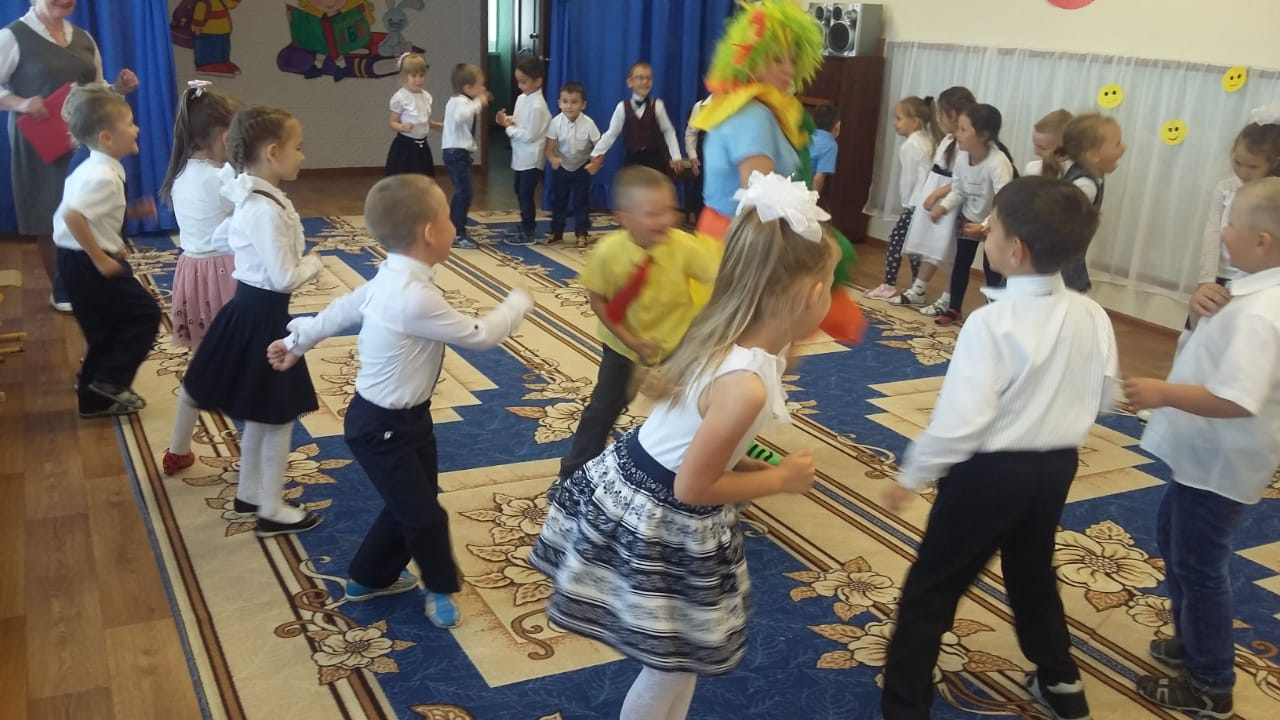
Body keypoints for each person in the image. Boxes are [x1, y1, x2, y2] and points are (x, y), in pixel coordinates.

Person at [531, 172, 831, 720]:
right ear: (813, 295)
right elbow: (694, 485)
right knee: (671, 662)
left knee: (680, 659)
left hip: (648, 484)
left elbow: (701, 436)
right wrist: (780, 479)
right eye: (831, 284)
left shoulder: (727, 338)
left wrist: (747, 457)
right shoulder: (745, 383)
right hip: (661, 510)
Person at [882, 176, 1117, 720]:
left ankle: (904, 707)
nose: (983, 234)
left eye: (991, 228)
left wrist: (913, 473)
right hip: (1055, 468)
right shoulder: (1093, 314)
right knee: (1032, 572)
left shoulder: (990, 324)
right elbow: (1106, 396)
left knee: (931, 590)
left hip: (987, 475)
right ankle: (1061, 683)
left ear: (1016, 250)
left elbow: (962, 422)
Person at [268, 174, 534, 628]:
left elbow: (343, 308)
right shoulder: (412, 297)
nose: (454, 225)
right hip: (381, 428)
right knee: (425, 516)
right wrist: (517, 303)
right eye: (449, 217)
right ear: (430, 232)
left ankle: (368, 577)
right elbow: (480, 335)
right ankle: (440, 587)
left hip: (407, 419)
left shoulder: (391, 277)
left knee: (411, 503)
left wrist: (299, 342)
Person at [1124, 177, 1280, 720]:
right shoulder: (1250, 290)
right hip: (1203, 457)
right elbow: (1211, 343)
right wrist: (1196, 309)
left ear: (1261, 240)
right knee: (1175, 540)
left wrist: (1162, 393)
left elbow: (1237, 398)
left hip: (1220, 462)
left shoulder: (1263, 313)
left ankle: (1211, 682)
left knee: (1199, 565)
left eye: (1230, 223)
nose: (1223, 232)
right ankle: (1192, 641)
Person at [171, 106, 324, 537]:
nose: (303, 156)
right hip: (262, 321)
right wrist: (314, 264)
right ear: (272, 152)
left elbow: (220, 237)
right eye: (298, 147)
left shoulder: (255, 200)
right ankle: (271, 508)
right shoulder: (262, 208)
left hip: (250, 314)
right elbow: (284, 277)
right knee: (276, 419)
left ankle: (250, 493)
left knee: (262, 412)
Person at [554, 166, 716, 490]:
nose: (665, 219)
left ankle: (707, 471)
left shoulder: (683, 245)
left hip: (678, 343)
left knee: (698, 407)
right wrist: (631, 340)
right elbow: (598, 300)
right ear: (624, 218)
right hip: (623, 345)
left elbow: (718, 277)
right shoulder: (608, 252)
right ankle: (573, 475)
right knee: (603, 409)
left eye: (670, 209)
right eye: (653, 213)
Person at [1, 0, 140, 312]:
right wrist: (21, 104)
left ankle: (93, 281)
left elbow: (97, 90)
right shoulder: (12, 36)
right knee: (47, 212)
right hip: (39, 144)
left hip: (84, 142)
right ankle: (62, 289)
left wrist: (118, 88)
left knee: (89, 207)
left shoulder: (83, 38)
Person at [51, 83, 159, 418]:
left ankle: (93, 400)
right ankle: (111, 380)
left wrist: (128, 217)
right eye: (129, 123)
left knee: (103, 327)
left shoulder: (96, 167)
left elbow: (90, 214)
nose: (136, 128)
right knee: (144, 314)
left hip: (76, 257)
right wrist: (100, 257)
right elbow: (72, 216)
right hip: (88, 261)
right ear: (107, 138)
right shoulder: (102, 175)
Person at [159, 79, 240, 352]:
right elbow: (248, 211)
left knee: (206, 340)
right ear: (225, 138)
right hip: (223, 268)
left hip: (192, 268)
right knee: (232, 338)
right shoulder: (218, 178)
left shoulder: (181, 173)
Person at [928, 103, 1016, 325]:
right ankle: (954, 309)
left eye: (963, 129)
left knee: (992, 269)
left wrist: (986, 226)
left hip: (996, 222)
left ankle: (994, 317)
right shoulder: (962, 158)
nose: (956, 134)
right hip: (970, 217)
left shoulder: (998, 162)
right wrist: (943, 207)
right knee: (961, 263)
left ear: (983, 135)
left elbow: (1005, 201)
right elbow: (959, 190)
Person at [893, 86, 977, 312]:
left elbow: (962, 179)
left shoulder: (965, 145)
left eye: (942, 113)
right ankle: (918, 289)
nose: (938, 118)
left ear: (955, 114)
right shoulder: (948, 139)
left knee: (948, 251)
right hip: (935, 196)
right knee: (931, 246)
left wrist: (938, 194)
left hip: (950, 202)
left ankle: (949, 298)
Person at [1037, 113, 1126, 292]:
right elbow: (1060, 227)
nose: (1123, 148)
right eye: (1117, 144)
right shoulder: (1085, 185)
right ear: (1093, 155)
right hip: (1061, 268)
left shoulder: (1088, 174)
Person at [865, 96, 937, 300]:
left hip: (915, 202)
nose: (895, 123)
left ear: (915, 122)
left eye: (898, 118)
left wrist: (907, 204)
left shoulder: (910, 145)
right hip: (925, 203)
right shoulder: (927, 140)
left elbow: (909, 180)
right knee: (914, 245)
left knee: (896, 240)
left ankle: (889, 285)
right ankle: (916, 288)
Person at [586, 61, 683, 176]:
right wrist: (596, 153)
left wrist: (676, 156)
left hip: (655, 159)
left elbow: (668, 131)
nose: (645, 82)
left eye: (648, 78)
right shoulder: (622, 107)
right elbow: (611, 134)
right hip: (632, 160)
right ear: (630, 82)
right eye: (640, 78)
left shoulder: (658, 105)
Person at [496, 55, 551, 246]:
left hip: (532, 158)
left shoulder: (538, 106)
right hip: (520, 155)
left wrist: (508, 129)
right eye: (518, 81)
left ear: (538, 81)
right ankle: (524, 223)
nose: (520, 86)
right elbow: (519, 121)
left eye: (524, 82)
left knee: (526, 194)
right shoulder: (522, 98)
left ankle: (529, 231)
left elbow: (530, 135)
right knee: (519, 190)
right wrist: (506, 120)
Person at [544, 81, 600, 247]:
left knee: (581, 201)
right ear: (559, 103)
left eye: (574, 102)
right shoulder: (555, 122)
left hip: (582, 167)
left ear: (583, 105)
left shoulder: (589, 123)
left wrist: (596, 163)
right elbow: (549, 149)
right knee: (559, 200)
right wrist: (553, 159)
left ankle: (582, 233)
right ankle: (556, 232)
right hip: (562, 167)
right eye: (565, 101)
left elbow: (600, 147)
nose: (569, 106)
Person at [440, 63, 489, 249]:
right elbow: (462, 116)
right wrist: (479, 102)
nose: (483, 89)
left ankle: (454, 228)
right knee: (464, 192)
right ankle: (455, 232)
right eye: (480, 85)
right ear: (468, 88)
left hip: (459, 152)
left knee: (463, 192)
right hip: (456, 153)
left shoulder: (460, 101)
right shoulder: (459, 102)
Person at [384, 53, 443, 178]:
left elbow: (424, 120)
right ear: (405, 76)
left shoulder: (426, 96)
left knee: (423, 180)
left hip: (422, 147)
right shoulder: (400, 97)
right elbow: (392, 123)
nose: (418, 80)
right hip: (405, 148)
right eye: (414, 76)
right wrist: (402, 127)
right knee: (405, 181)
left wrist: (435, 125)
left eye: (421, 76)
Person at [810, 103, 840, 196]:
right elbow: (818, 178)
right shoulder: (830, 145)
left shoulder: (806, 134)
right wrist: (813, 198)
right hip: (802, 188)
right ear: (837, 126)